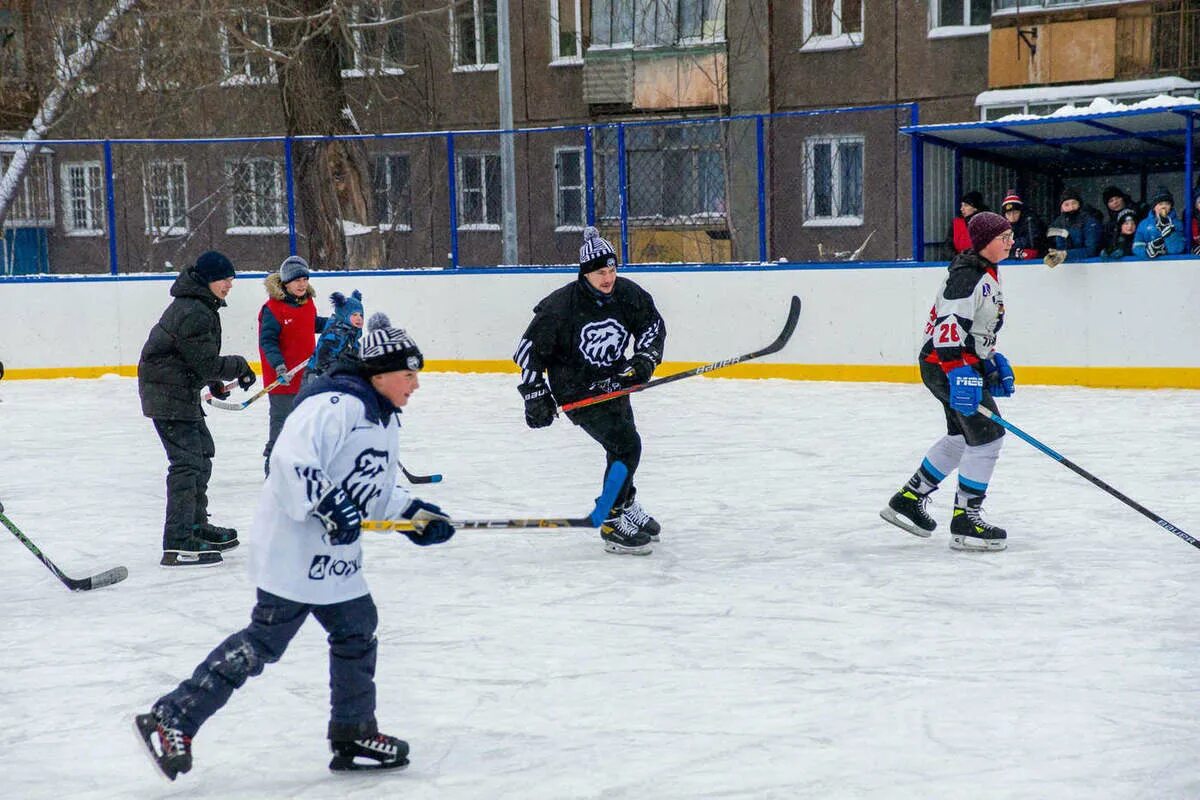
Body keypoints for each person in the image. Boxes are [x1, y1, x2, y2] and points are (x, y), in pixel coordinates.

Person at [135, 314, 456, 781]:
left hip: (334, 558)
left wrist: (415, 516)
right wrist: (329, 503)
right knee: (265, 640)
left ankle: (352, 730)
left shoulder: (382, 418)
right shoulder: (334, 405)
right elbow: (290, 461)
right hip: (294, 547)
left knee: (356, 627)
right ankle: (172, 716)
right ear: (380, 374)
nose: (415, 384)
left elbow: (371, 488)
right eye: (409, 375)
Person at [513, 226, 666, 556]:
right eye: (600, 272)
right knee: (627, 445)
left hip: (615, 383)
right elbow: (527, 351)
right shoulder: (561, 306)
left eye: (612, 269)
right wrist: (534, 392)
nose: (608, 277)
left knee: (621, 444)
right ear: (585, 273)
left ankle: (624, 503)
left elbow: (653, 327)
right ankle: (612, 520)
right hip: (578, 392)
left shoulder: (627, 294)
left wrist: (643, 360)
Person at [880, 211, 1014, 552]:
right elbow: (948, 328)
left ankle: (909, 500)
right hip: (946, 365)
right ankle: (966, 521)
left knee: (962, 436)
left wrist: (991, 362)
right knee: (987, 438)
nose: (1011, 242)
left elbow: (975, 327)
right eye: (1005, 237)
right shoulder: (967, 276)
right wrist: (959, 373)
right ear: (986, 242)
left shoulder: (984, 271)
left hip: (952, 365)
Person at [138, 251, 257, 567]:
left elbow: (191, 359)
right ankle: (178, 541)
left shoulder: (198, 305)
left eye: (232, 279)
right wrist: (238, 367)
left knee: (201, 454)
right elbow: (203, 361)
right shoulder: (194, 311)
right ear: (207, 279)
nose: (229, 285)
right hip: (167, 395)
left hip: (176, 391)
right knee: (187, 463)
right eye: (224, 279)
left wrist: (213, 380)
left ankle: (196, 525)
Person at [258, 255, 328, 476]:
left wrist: (335, 324)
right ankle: (273, 466)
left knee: (306, 424)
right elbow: (267, 341)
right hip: (282, 379)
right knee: (281, 425)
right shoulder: (272, 309)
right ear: (286, 282)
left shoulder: (308, 303)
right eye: (297, 280)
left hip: (306, 376)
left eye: (305, 279)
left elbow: (311, 324)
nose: (302, 284)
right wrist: (279, 366)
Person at [304, 290, 365, 385]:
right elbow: (323, 362)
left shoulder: (351, 335)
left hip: (336, 379)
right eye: (354, 315)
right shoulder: (334, 335)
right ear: (344, 316)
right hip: (316, 379)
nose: (359, 318)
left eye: (361, 315)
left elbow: (355, 355)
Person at [1045, 187, 1103, 263]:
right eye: (1066, 205)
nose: (1071, 207)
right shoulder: (1058, 223)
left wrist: (1066, 254)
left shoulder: (1089, 221)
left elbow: (1092, 250)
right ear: (1061, 208)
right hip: (1069, 268)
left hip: (1092, 266)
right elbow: (1057, 246)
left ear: (1079, 204)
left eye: (1074, 203)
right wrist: (1056, 254)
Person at [1133, 186, 1187, 259]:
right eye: (1160, 204)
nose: (1164, 207)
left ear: (1171, 206)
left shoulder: (1177, 223)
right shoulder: (1144, 224)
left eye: (1167, 204)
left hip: (1171, 265)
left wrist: (1168, 232)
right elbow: (1136, 246)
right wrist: (1147, 251)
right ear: (1154, 207)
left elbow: (1177, 249)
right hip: (1148, 266)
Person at [999, 189, 1043, 260]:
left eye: (1015, 213)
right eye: (1008, 214)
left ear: (1021, 212)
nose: (1012, 217)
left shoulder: (1030, 221)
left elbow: (1032, 241)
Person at [946, 190, 988, 255]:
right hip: (960, 262)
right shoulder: (956, 223)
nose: (962, 209)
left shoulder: (986, 222)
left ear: (975, 208)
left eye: (966, 205)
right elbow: (949, 246)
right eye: (961, 205)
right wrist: (957, 258)